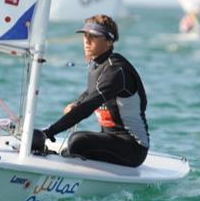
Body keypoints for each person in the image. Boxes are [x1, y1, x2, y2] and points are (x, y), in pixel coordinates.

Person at [33, 14, 149, 167]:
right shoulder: (97, 65)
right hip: (111, 139)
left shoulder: (116, 71)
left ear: (108, 41)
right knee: (72, 147)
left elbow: (88, 106)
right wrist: (76, 103)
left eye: (93, 36)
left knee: (77, 141)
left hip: (133, 148)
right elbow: (90, 92)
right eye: (85, 36)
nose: (87, 41)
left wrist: (49, 132)